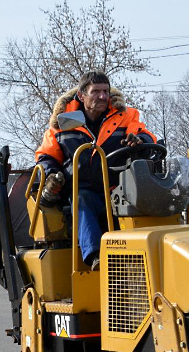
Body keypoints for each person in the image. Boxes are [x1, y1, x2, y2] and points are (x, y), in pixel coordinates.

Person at [34, 71, 157, 270]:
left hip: (118, 189)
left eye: (105, 91)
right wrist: (51, 176)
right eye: (96, 91)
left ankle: (148, 257)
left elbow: (147, 135)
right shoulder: (62, 123)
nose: (102, 96)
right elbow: (45, 156)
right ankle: (95, 257)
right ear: (82, 96)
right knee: (81, 198)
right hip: (83, 191)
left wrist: (139, 140)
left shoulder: (124, 116)